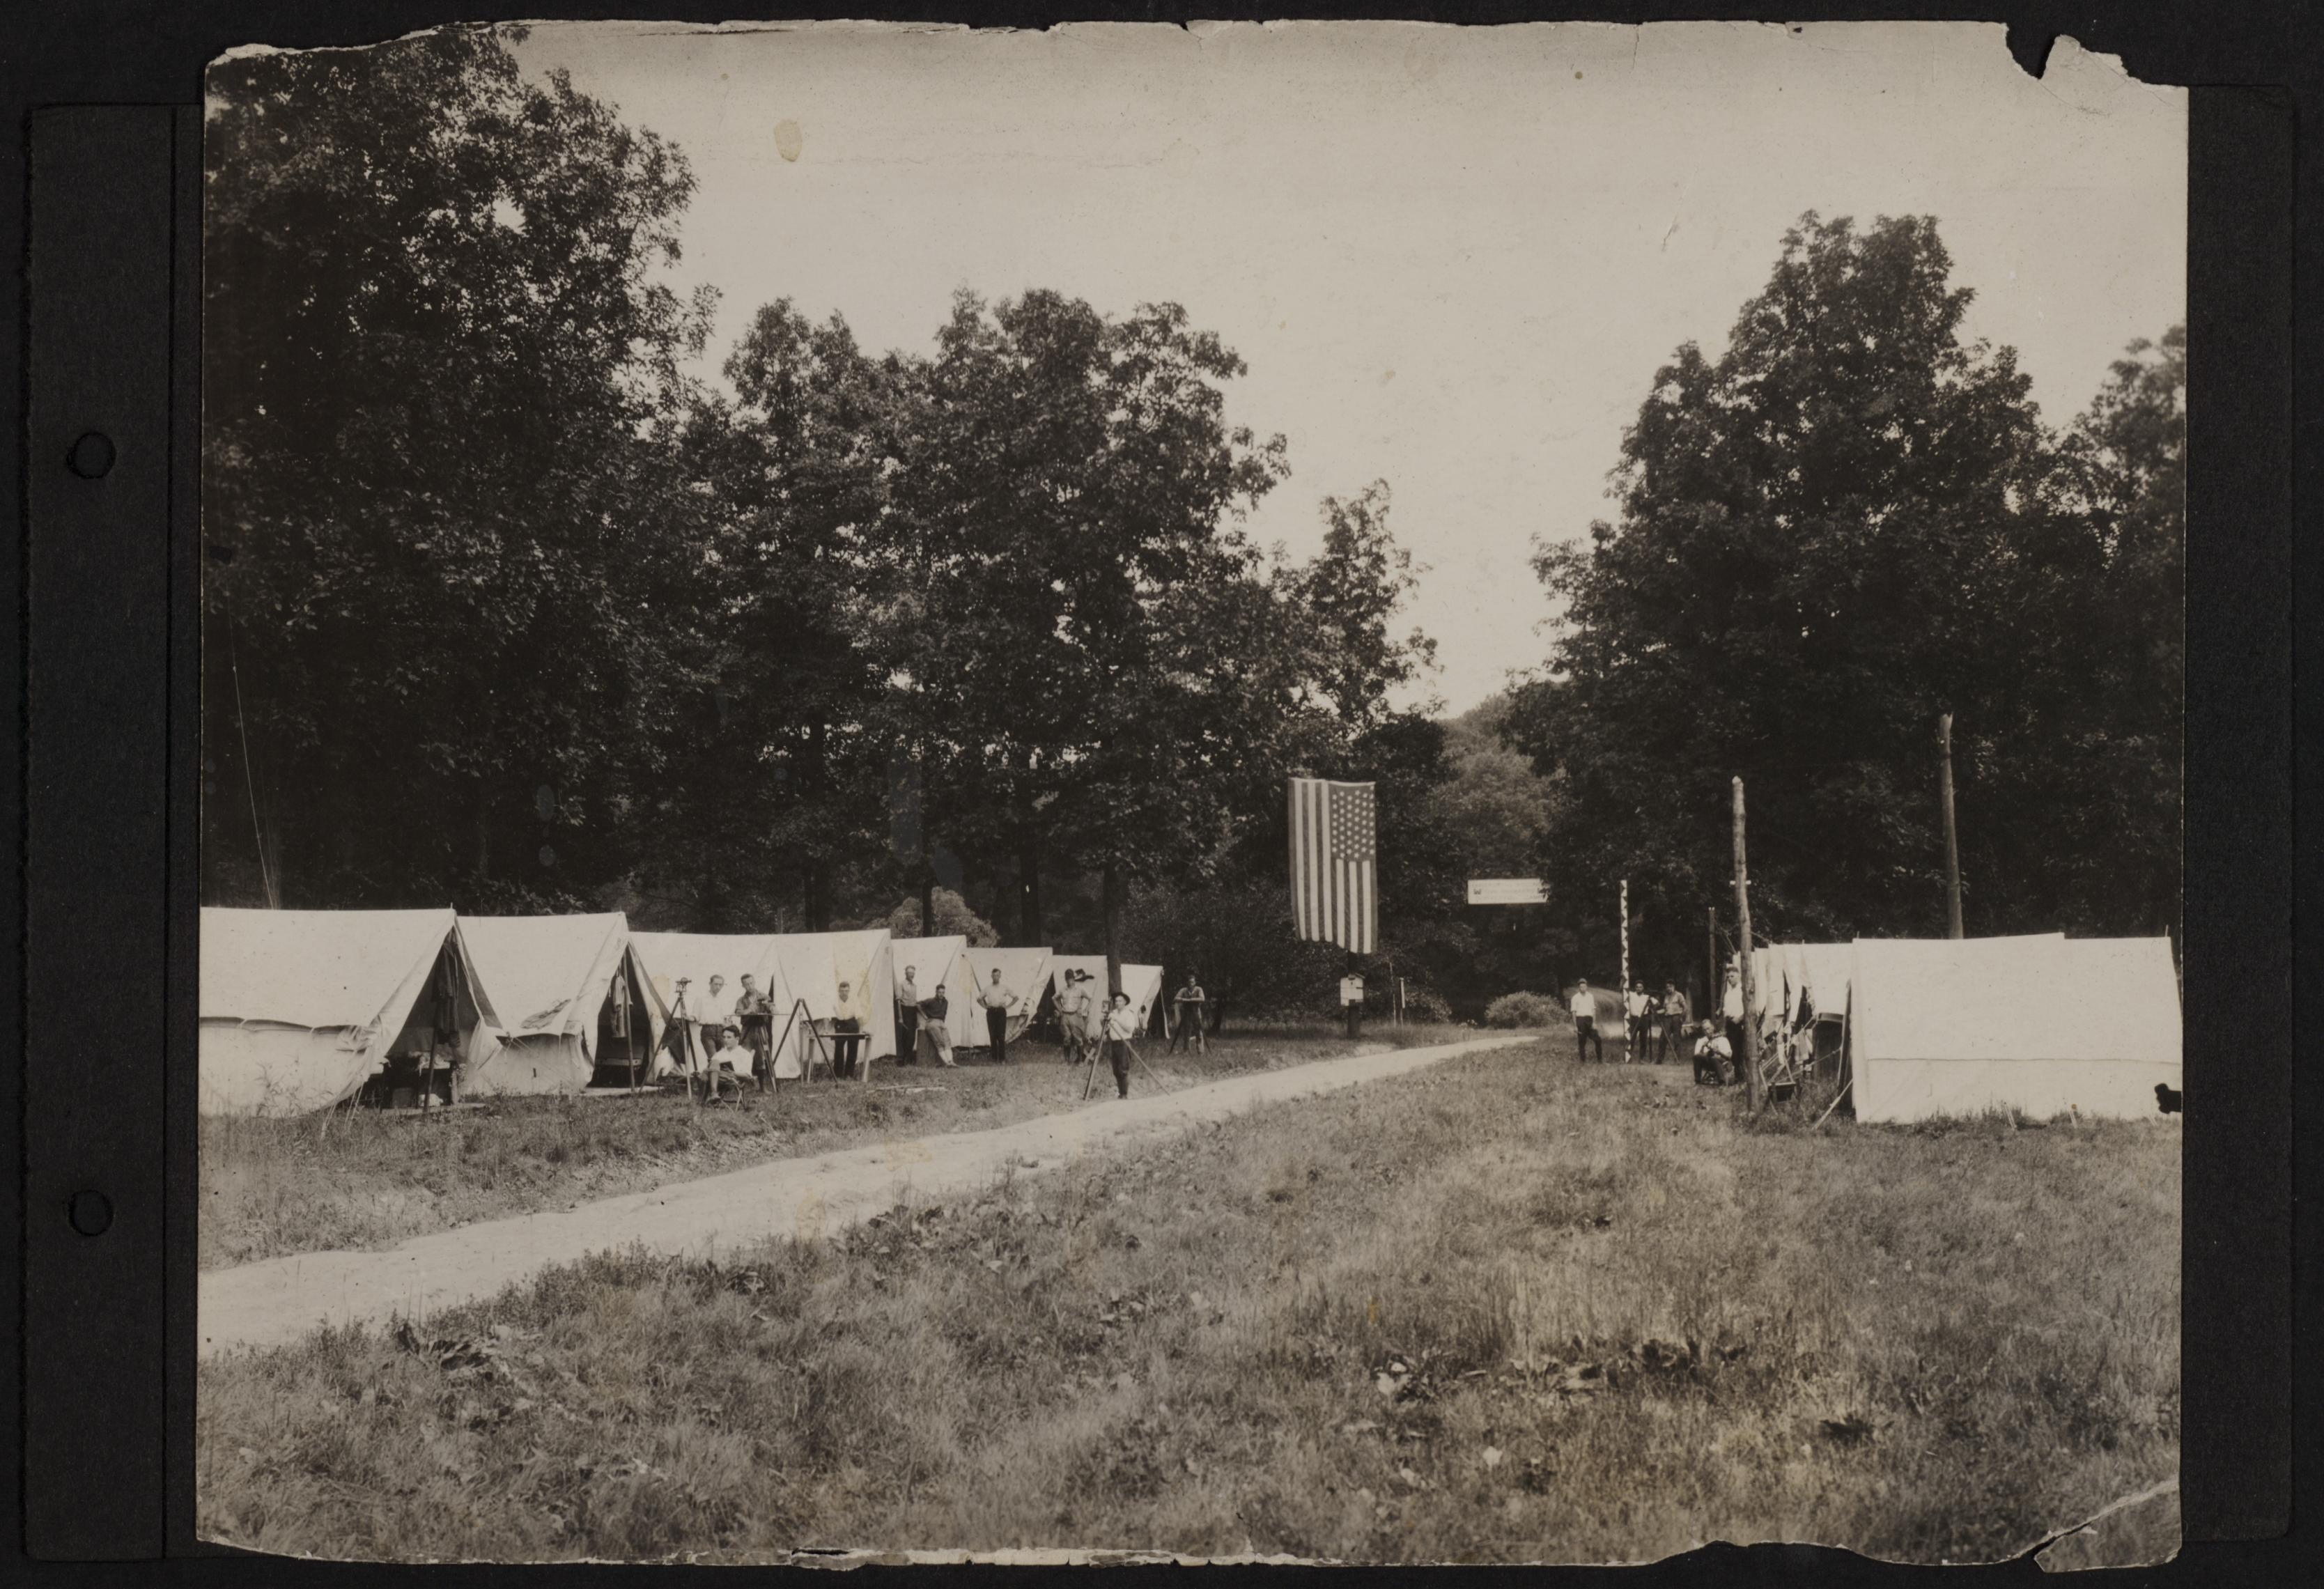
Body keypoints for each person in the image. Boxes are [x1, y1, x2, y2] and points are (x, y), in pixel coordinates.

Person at [734, 973, 774, 1089]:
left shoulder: (763, 996)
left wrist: (771, 1007)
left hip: (761, 1029)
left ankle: (763, 1087)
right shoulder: (741, 1000)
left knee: (761, 1057)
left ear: (754, 982)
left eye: (751, 983)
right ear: (743, 986)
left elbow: (771, 1008)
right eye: (747, 984)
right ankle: (741, 1086)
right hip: (748, 1031)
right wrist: (748, 1010)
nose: (750, 986)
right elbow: (738, 1012)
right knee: (744, 1056)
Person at [978, 966, 1020, 1064]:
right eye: (994, 975)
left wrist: (1007, 1007)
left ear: (1000, 976)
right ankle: (994, 1058)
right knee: (992, 1035)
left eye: (998, 975)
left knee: (1001, 1036)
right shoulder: (988, 988)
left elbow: (1016, 998)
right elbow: (979, 999)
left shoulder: (1004, 987)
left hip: (1001, 1012)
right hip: (991, 1012)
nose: (996, 977)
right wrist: (985, 1007)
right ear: (991, 976)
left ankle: (1002, 1059)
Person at [1102, 989, 1139, 1098]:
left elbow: (1130, 1029)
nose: (1117, 1003)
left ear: (1125, 1002)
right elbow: (1107, 1028)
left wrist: (1117, 1019)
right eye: (1116, 1001)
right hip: (1114, 1043)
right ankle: (1120, 1092)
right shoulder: (1113, 1013)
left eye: (1120, 1001)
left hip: (1124, 1043)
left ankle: (1124, 1094)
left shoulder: (1128, 1014)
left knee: (1123, 1069)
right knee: (1116, 1070)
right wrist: (1104, 1021)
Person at [829, 978, 865, 1078]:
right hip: (840, 1024)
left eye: (846, 991)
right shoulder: (834, 1000)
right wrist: (827, 1029)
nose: (844, 993)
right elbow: (828, 1015)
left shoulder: (854, 1000)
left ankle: (849, 1074)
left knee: (853, 1049)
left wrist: (861, 1030)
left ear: (849, 991)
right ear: (839, 991)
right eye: (842, 991)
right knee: (839, 1050)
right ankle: (838, 1075)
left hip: (852, 1024)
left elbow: (859, 1015)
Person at [1058, 970, 1094, 1064]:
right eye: (1067, 979)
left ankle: (1080, 1061)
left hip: (1076, 1016)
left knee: (1078, 1038)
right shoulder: (1063, 990)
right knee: (1067, 1038)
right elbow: (1054, 998)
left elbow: (1091, 999)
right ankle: (1067, 1061)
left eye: (1071, 978)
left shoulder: (1080, 989)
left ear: (1074, 979)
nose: (1069, 981)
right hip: (1065, 1015)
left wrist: (1085, 1010)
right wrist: (1060, 1009)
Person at [708, 1023, 750, 1102]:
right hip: (718, 1076)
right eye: (724, 1037)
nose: (726, 1040)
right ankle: (713, 1095)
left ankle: (708, 1098)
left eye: (729, 1037)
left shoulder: (745, 1054)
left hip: (733, 1078)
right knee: (714, 1063)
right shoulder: (720, 1053)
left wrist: (733, 1073)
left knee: (706, 1073)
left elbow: (747, 1076)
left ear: (737, 1039)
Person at [1170, 971, 1207, 1054]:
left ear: (1195, 982)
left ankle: (1200, 1051)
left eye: (1192, 982)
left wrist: (1190, 1000)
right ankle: (1186, 1051)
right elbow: (1175, 999)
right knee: (1187, 1032)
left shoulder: (1199, 989)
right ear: (1187, 983)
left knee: (1199, 1032)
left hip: (1196, 1012)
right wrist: (1184, 1000)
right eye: (1190, 982)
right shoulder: (1184, 990)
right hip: (1187, 1013)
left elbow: (1202, 999)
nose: (1191, 984)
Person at [921, 980, 955, 1067]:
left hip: (941, 1023)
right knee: (940, 1043)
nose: (941, 994)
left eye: (943, 993)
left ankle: (951, 1062)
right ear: (936, 992)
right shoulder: (931, 1001)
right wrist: (924, 1016)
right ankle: (947, 1063)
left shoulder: (945, 1002)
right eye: (939, 992)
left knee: (947, 1042)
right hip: (932, 1022)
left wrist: (942, 1023)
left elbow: (944, 1013)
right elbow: (918, 1005)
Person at [1568, 978, 1603, 1063]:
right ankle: (1583, 1061)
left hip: (1590, 1020)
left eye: (1584, 986)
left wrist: (1594, 1022)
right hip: (1580, 1020)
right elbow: (1573, 1012)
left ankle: (1600, 1061)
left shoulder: (1590, 996)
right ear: (1579, 988)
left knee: (1598, 1040)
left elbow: (1593, 1010)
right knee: (1582, 1042)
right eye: (1581, 987)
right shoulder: (1575, 998)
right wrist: (1575, 1026)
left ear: (1587, 987)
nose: (1583, 988)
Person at [1656, 982, 1691, 1064]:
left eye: (1670, 986)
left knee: (1677, 1039)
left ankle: (1677, 1059)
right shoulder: (1666, 997)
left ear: (1674, 987)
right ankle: (1659, 1060)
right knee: (1663, 1038)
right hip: (1667, 1019)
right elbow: (1665, 1010)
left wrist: (1681, 1018)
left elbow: (1685, 1007)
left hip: (1676, 1018)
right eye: (1667, 987)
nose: (1668, 988)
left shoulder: (1679, 995)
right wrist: (1656, 1012)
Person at [1693, 1021, 1734, 1087]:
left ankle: (1722, 1082)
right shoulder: (1701, 1040)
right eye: (1704, 1030)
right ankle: (1697, 1082)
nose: (1707, 1031)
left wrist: (1719, 1052)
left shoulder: (1722, 1039)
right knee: (1697, 1057)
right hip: (1708, 1063)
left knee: (1714, 1058)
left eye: (1708, 1028)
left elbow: (1729, 1056)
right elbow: (1697, 1056)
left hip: (1722, 1062)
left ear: (1713, 1028)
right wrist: (1704, 1048)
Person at [895, 966, 922, 1067]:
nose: (912, 974)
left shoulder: (915, 986)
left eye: (913, 973)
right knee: (904, 1036)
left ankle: (909, 1059)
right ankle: (901, 1060)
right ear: (906, 973)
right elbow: (898, 1001)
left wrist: (917, 1019)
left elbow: (915, 1003)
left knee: (912, 1037)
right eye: (910, 972)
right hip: (904, 1010)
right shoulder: (901, 984)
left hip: (913, 1012)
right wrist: (900, 1017)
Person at [1624, 981, 1651, 1064]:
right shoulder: (1631, 995)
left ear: (1643, 988)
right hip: (1634, 1019)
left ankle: (1642, 1059)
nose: (1639, 988)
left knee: (1643, 1039)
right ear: (1635, 988)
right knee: (1631, 1038)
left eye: (1640, 987)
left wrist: (1651, 1005)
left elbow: (1657, 1004)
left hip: (1644, 1019)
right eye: (1637, 987)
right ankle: (1628, 1058)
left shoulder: (1647, 997)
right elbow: (1622, 989)